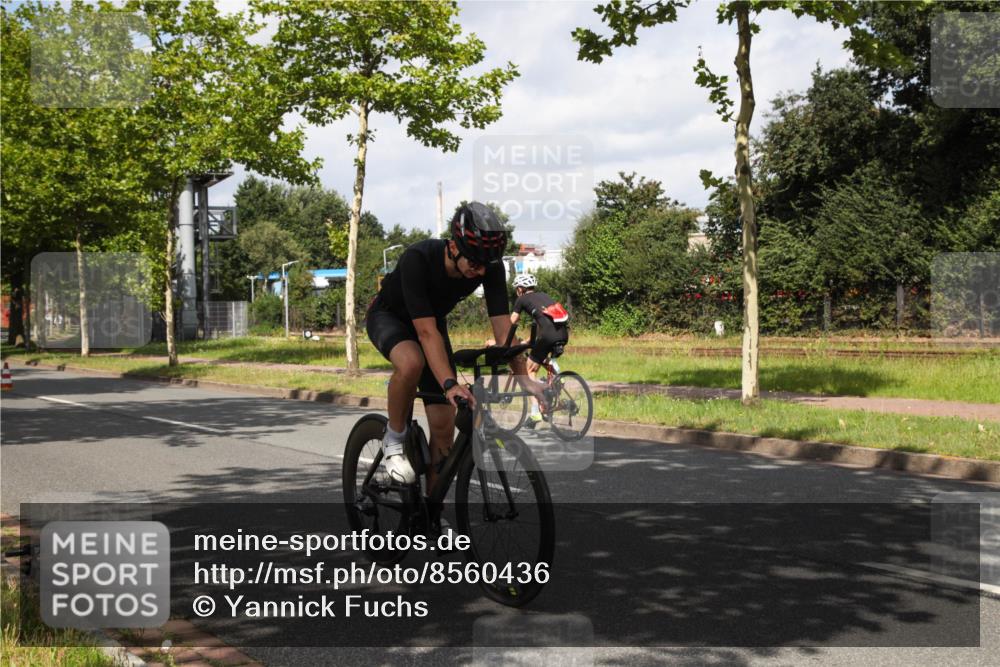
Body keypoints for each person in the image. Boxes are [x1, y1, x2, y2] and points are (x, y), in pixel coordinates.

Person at [366, 202, 544, 489]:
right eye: (473, 262)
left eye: (485, 264)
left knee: (443, 429)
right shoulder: (418, 258)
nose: (479, 270)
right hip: (390, 317)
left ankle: (433, 512)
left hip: (432, 323)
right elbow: (425, 333)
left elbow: (503, 330)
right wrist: (450, 384)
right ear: (453, 247)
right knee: (411, 362)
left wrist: (526, 380)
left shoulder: (488, 267)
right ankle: (394, 440)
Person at [509, 273, 570, 427]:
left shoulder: (522, 299)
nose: (517, 291)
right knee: (539, 357)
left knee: (528, 370)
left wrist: (502, 337)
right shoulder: (544, 296)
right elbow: (546, 323)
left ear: (520, 289)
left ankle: (535, 412)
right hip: (563, 334)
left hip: (548, 335)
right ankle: (556, 375)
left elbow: (511, 322)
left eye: (517, 288)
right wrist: (528, 341)